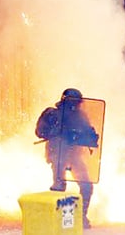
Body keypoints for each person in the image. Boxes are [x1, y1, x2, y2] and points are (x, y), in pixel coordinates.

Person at [35, 88, 99, 229]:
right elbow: (39, 132)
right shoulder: (52, 114)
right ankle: (55, 219)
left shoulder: (80, 116)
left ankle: (81, 216)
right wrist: (57, 131)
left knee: (87, 186)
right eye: (73, 102)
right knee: (59, 187)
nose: (75, 106)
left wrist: (91, 137)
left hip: (75, 155)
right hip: (58, 155)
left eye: (77, 103)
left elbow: (87, 132)